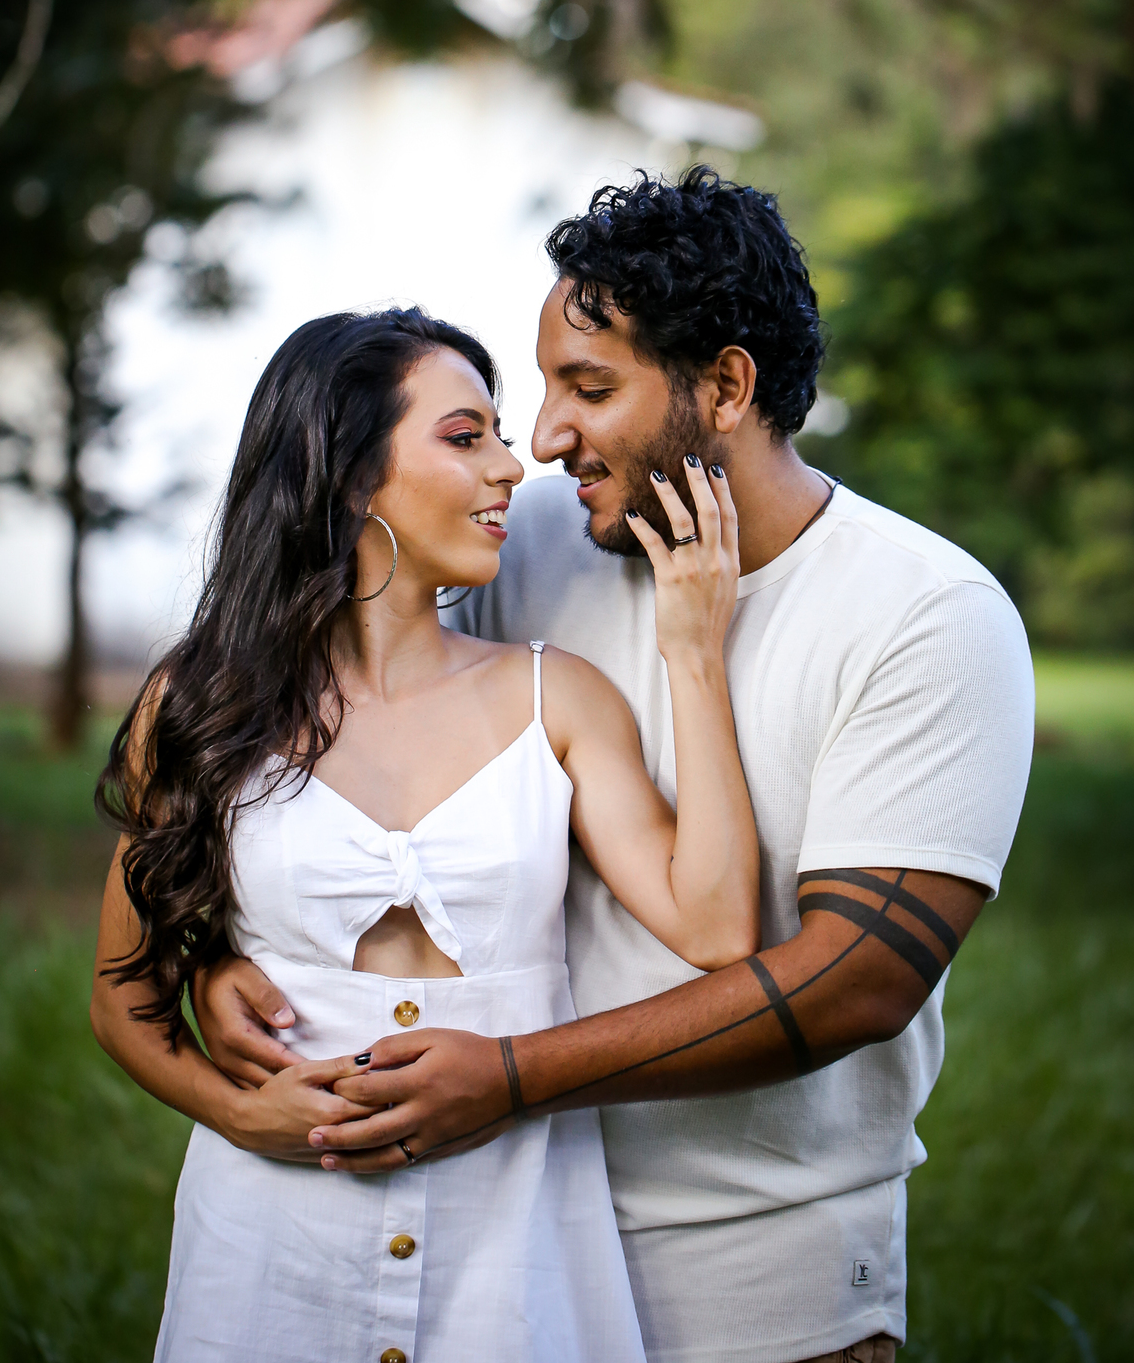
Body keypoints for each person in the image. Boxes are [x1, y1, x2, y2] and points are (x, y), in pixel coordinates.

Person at [196, 170, 1035, 1363]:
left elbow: (856, 982)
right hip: (492, 1227)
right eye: (540, 391)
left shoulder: (925, 615)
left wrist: (514, 1077)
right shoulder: (523, 548)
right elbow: (353, 754)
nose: (540, 441)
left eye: (589, 388)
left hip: (757, 1260)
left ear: (728, 387)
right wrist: (240, 954)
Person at [90, 305, 762, 1363]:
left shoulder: (560, 700)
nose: (511, 467)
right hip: (268, 1251)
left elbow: (718, 925)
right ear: (350, 474)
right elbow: (124, 999)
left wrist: (695, 654)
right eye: (466, 438)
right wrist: (237, 1115)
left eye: (499, 434)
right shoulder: (198, 705)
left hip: (514, 1246)